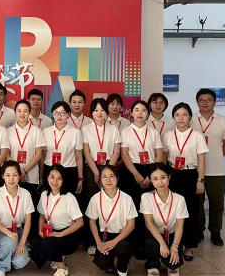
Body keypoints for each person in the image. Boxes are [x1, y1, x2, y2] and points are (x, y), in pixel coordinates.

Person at [163, 102, 209, 261]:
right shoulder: (168, 135)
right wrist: (164, 177)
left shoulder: (197, 136)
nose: (181, 118)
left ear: (190, 117)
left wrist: (200, 180)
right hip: (172, 174)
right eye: (177, 115)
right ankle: (172, 243)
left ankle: (189, 246)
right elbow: (164, 158)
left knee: (190, 209)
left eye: (184, 115)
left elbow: (201, 160)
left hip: (190, 174)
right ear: (173, 117)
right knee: (172, 210)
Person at [119, 100, 163, 256]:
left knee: (148, 209)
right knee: (132, 208)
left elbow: (159, 154)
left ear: (148, 113)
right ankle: (133, 242)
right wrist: (136, 174)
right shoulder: (125, 131)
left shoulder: (153, 132)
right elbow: (124, 154)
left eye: (143, 110)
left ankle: (147, 243)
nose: (140, 113)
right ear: (131, 113)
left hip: (150, 171)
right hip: (131, 171)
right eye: (136, 110)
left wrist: (152, 175)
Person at [192, 88, 225, 246]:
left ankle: (216, 232)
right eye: (202, 100)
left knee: (217, 203)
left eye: (209, 100)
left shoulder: (223, 121)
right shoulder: (190, 119)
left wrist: (217, 157)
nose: (205, 103)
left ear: (215, 102)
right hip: (195, 169)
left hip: (217, 170)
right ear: (197, 102)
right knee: (197, 203)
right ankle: (198, 230)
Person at [31, 165, 83, 276]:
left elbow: (80, 222)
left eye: (59, 178)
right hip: (51, 231)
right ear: (47, 177)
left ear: (63, 180)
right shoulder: (44, 194)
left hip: (67, 234)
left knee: (47, 244)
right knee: (35, 254)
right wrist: (40, 230)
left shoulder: (69, 198)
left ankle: (62, 267)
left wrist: (60, 234)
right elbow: (42, 215)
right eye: (52, 177)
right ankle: (59, 255)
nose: (55, 181)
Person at [82, 98, 122, 254]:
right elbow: (86, 152)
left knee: (110, 205)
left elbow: (117, 151)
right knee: (92, 205)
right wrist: (97, 173)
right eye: (96, 110)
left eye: (103, 110)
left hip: (110, 167)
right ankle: (91, 242)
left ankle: (110, 240)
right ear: (91, 112)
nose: (99, 113)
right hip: (92, 169)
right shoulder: (86, 129)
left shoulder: (114, 129)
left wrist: (108, 172)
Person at [86, 165, 136, 276]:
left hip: (122, 236)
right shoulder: (95, 198)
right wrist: (98, 242)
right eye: (104, 177)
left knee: (123, 248)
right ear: (100, 180)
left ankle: (122, 268)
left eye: (111, 176)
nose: (108, 180)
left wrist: (114, 242)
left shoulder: (126, 198)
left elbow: (131, 225)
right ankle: (110, 264)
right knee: (103, 263)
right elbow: (92, 221)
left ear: (117, 178)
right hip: (104, 235)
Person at [140, 164, 188, 276]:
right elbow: (149, 222)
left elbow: (180, 225)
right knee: (153, 243)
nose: (160, 182)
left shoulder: (179, 199)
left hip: (172, 234)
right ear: (151, 180)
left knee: (173, 264)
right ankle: (152, 265)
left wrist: (175, 247)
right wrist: (162, 243)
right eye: (155, 179)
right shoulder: (146, 197)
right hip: (154, 234)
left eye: (163, 177)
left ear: (169, 177)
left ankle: (171, 263)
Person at [0, 161, 34, 276]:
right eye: (8, 175)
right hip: (1, 231)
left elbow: (28, 221)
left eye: (14, 175)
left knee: (21, 261)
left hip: (19, 232)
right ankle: (0, 268)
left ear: (19, 176)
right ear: (3, 176)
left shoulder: (26, 194)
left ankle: (6, 254)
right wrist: (8, 233)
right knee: (9, 243)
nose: (11, 179)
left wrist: (22, 243)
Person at [7, 100, 45, 205]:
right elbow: (6, 153)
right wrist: (16, 172)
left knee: (30, 206)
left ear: (29, 112)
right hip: (12, 176)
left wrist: (24, 171)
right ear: (15, 112)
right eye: (19, 111)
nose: (22, 114)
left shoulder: (36, 131)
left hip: (31, 176)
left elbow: (39, 154)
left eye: (25, 111)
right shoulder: (9, 131)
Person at [42, 101, 83, 193]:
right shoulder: (46, 131)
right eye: (56, 113)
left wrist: (80, 178)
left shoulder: (76, 132)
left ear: (68, 114)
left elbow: (78, 157)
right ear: (52, 114)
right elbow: (43, 155)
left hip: (69, 171)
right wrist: (41, 175)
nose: (59, 116)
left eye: (63, 113)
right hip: (49, 169)